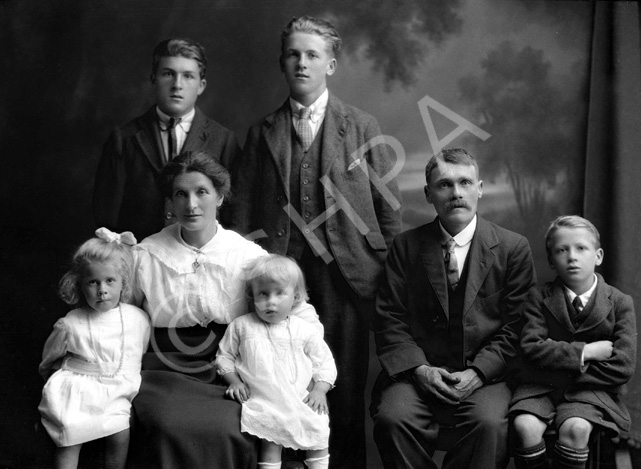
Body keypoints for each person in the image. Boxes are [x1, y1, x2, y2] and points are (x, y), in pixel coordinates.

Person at [229, 16, 402, 468]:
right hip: (280, 278)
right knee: (275, 383)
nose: (301, 62)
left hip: (348, 278)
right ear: (282, 63)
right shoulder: (262, 132)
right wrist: (252, 273)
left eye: (312, 55)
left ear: (330, 64)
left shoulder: (361, 127)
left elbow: (389, 210)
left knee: (337, 386)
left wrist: (385, 272)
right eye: (293, 54)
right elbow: (243, 211)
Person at [370, 147, 537, 469]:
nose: (456, 193)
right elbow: (389, 318)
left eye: (465, 183)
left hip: (486, 377)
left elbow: (519, 325)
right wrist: (420, 370)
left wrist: (477, 372)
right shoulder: (406, 247)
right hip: (418, 375)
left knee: (489, 425)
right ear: (428, 193)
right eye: (444, 185)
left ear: (480, 188)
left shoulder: (512, 248)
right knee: (393, 419)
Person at [127, 151, 267, 469]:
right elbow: (126, 320)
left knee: (232, 427)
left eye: (201, 192)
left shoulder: (248, 256)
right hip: (163, 368)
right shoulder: (146, 254)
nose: (191, 205)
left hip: (231, 370)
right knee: (166, 425)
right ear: (170, 202)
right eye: (181, 194)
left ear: (219, 197)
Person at [509, 215, 636, 469]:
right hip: (539, 390)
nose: (572, 256)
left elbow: (622, 365)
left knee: (576, 428)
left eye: (581, 248)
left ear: (598, 256)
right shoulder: (538, 298)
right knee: (525, 425)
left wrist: (555, 366)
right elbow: (531, 348)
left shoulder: (620, 303)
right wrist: (586, 352)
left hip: (591, 393)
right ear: (551, 261)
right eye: (561, 250)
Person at [93, 37, 241, 241]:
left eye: (188, 76)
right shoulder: (124, 139)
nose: (177, 85)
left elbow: (233, 214)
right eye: (168, 74)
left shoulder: (224, 140)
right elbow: (106, 217)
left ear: (201, 85)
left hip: (200, 259)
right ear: (153, 78)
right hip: (140, 256)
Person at [38, 228, 150, 469]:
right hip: (77, 391)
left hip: (116, 391)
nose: (102, 289)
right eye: (93, 282)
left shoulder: (137, 319)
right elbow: (50, 357)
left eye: (110, 281)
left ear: (123, 283)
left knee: (120, 433)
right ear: (80, 285)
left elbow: (138, 351)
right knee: (69, 436)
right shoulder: (71, 322)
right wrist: (51, 378)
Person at [216, 254, 337, 469]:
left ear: (296, 297)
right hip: (264, 398)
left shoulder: (304, 330)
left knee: (318, 431)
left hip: (302, 397)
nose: (271, 301)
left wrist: (319, 390)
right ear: (252, 297)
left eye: (280, 293)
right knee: (270, 441)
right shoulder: (242, 326)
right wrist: (234, 381)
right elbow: (225, 356)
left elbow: (325, 363)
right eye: (263, 294)